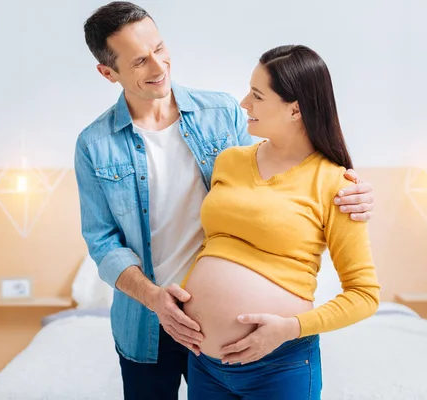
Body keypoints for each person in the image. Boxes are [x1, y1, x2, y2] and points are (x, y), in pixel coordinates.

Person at [75, 2, 376, 399]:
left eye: (160, 48)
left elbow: (273, 189)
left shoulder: (222, 115)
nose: (159, 66)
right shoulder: (94, 145)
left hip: (243, 345)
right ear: (108, 72)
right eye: (139, 62)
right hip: (148, 322)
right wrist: (155, 299)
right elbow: (102, 243)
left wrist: (355, 192)